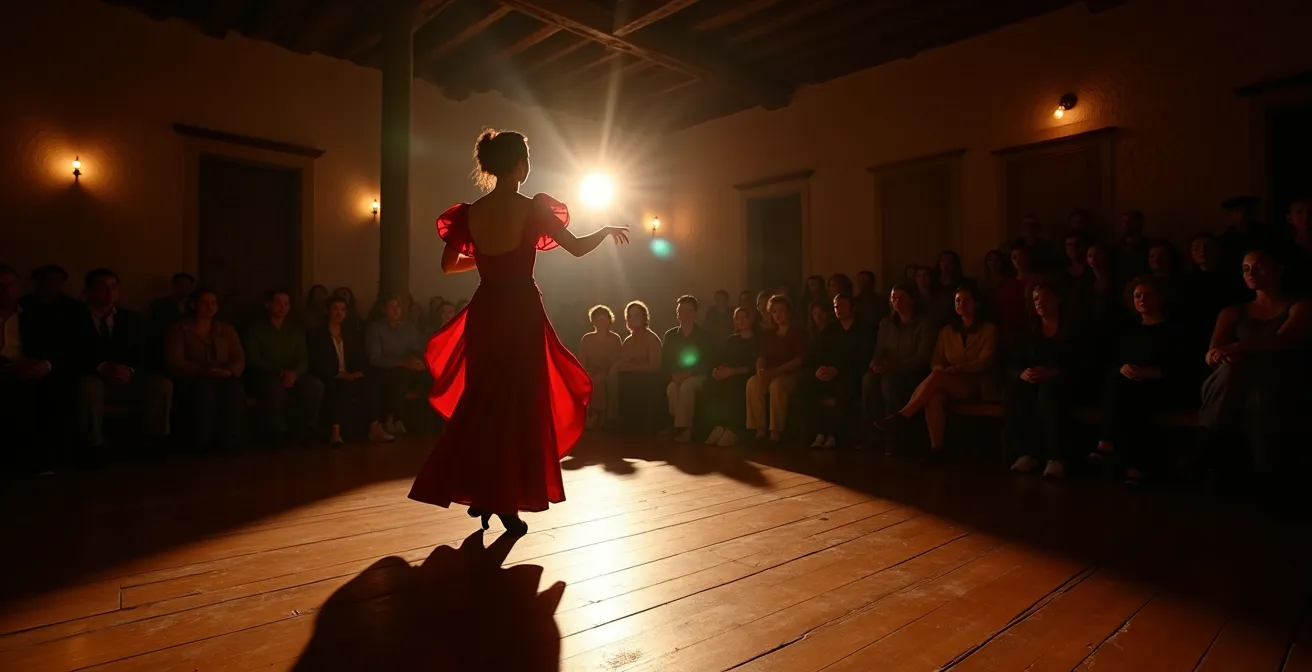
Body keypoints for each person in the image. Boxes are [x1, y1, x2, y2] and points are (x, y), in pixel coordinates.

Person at [408, 129, 629, 535]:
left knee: (483, 404)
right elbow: (577, 248)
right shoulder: (533, 209)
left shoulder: (471, 213)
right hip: (520, 310)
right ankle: (504, 501)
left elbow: (447, 265)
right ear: (521, 165)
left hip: (487, 309)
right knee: (518, 406)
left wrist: (489, 264)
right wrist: (605, 230)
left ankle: (483, 492)